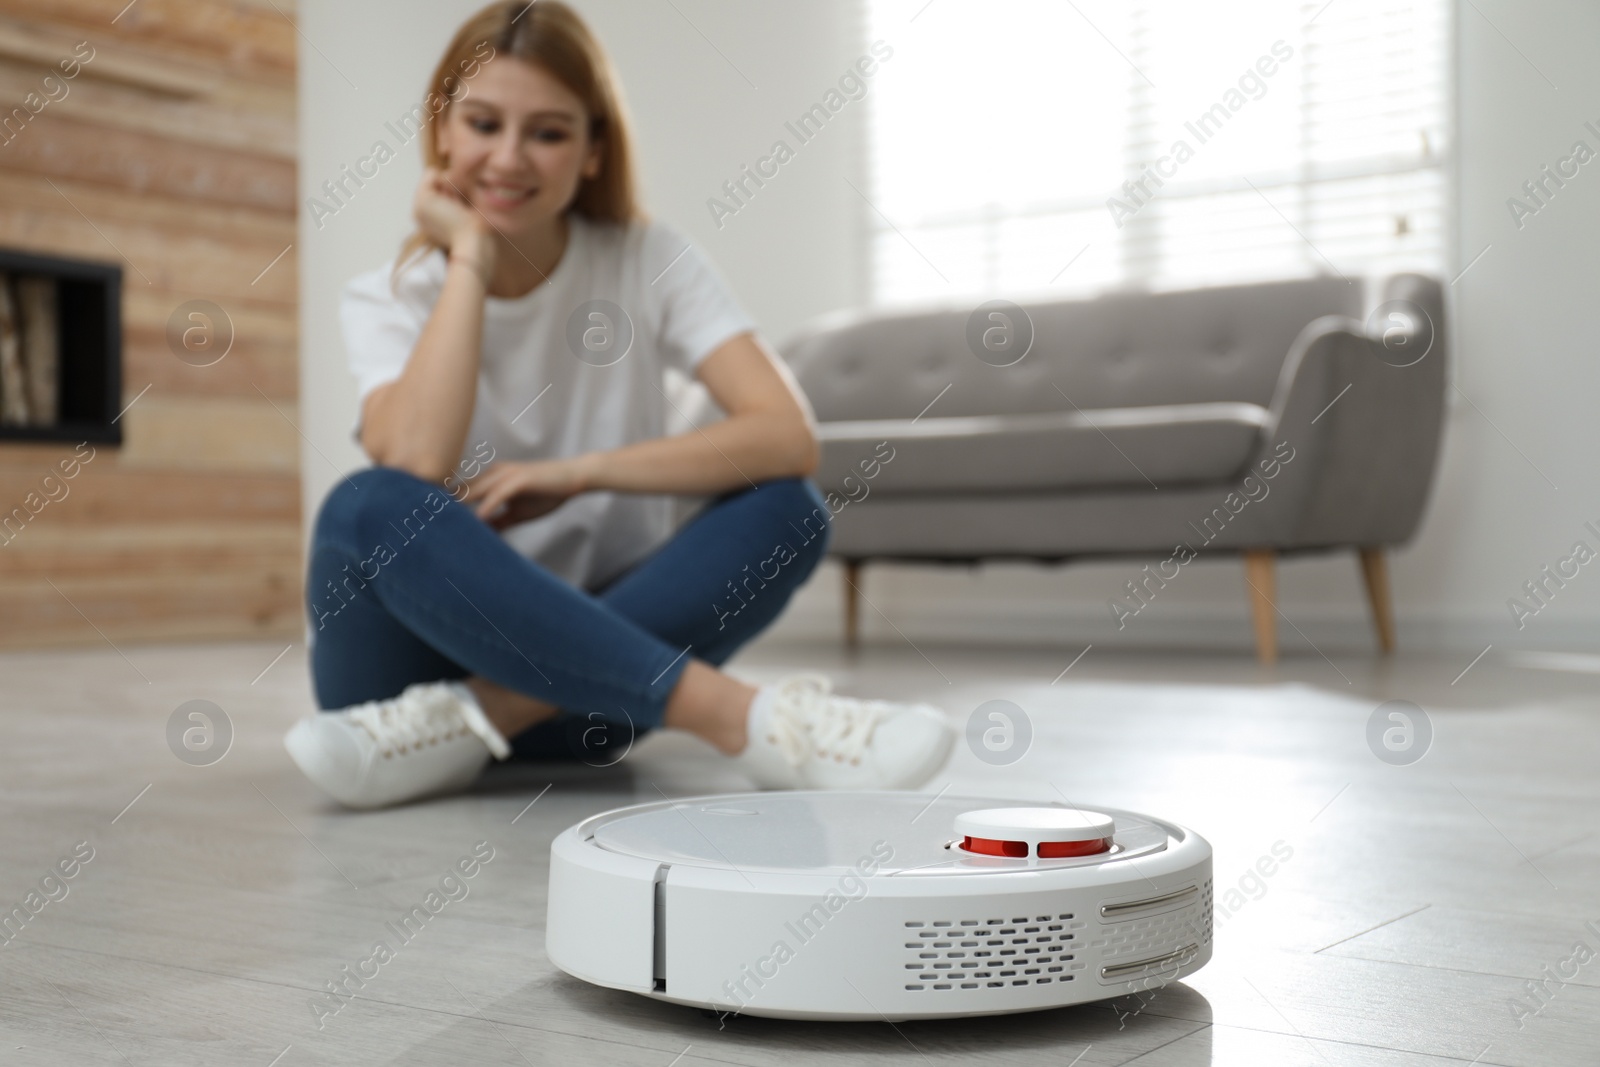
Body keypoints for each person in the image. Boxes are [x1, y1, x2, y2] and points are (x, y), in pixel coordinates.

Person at [283, 0, 953, 809]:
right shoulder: (386, 297)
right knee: (367, 506)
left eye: (549, 132)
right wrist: (467, 256)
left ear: (594, 149)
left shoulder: (649, 259)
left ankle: (472, 721)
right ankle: (745, 720)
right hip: (399, 683)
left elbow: (784, 434)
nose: (508, 158)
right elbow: (418, 460)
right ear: (443, 133)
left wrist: (580, 472)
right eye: (484, 123)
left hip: (583, 701)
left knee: (788, 510)